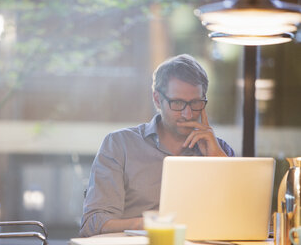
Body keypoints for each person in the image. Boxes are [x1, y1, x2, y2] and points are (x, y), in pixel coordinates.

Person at [79, 54, 235, 237]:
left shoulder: (219, 149)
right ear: (156, 99)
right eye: (177, 103)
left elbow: (241, 216)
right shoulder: (120, 145)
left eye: (195, 103)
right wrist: (145, 224)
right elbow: (92, 224)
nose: (187, 113)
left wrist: (217, 161)